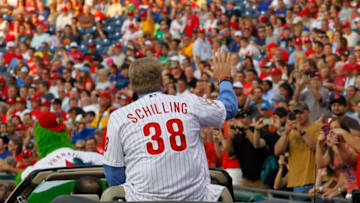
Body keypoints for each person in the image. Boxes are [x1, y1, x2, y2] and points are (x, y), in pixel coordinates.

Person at [104, 51, 237, 201]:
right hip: (194, 198)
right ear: (162, 81)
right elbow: (230, 108)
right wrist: (224, 79)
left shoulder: (119, 116)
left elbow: (113, 172)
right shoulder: (189, 102)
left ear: (132, 86)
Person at [275, 101, 321, 201]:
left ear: (308, 112)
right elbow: (277, 151)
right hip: (298, 182)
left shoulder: (318, 127)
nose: (298, 116)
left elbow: (318, 148)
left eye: (301, 113)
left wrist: (302, 131)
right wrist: (286, 132)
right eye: (296, 113)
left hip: (318, 181)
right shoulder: (290, 131)